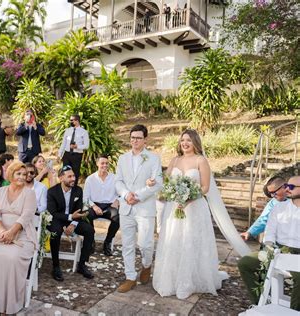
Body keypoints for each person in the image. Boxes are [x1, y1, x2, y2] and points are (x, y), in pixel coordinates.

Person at [153, 129, 224, 299]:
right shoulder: (175, 160)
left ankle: (190, 281)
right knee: (174, 241)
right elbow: (166, 182)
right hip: (174, 207)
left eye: (189, 140)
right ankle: (172, 279)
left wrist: (188, 198)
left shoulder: (201, 160)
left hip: (195, 209)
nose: (185, 143)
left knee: (191, 243)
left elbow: (205, 187)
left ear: (195, 143)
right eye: (183, 140)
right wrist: (158, 185)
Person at [0, 161, 37, 315]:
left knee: (12, 259)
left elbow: (26, 216)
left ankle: (8, 305)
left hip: (22, 236)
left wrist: (12, 232)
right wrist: (3, 231)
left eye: (25, 174)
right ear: (11, 175)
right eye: (19, 174)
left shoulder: (29, 193)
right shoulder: (0, 192)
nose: (23, 177)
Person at [238, 176, 300, 311]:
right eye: (287, 186)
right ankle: (261, 303)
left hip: (298, 253)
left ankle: (294, 312)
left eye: (291, 187)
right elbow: (269, 230)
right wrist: (269, 245)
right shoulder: (278, 207)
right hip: (278, 249)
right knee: (245, 263)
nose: (287, 189)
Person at [115, 124, 162, 293]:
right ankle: (130, 277)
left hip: (144, 208)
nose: (135, 140)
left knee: (145, 244)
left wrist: (138, 195)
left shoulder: (153, 158)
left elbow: (158, 183)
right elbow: (118, 181)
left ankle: (147, 265)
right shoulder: (122, 158)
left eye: (138, 138)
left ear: (145, 140)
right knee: (127, 245)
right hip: (126, 207)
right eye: (132, 137)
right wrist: (126, 194)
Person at [47, 165, 95, 281]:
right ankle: (56, 266)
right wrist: (68, 218)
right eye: (69, 176)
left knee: (89, 230)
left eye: (73, 176)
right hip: (57, 220)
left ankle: (82, 264)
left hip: (74, 220)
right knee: (55, 233)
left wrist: (73, 224)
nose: (73, 178)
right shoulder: (52, 192)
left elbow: (78, 210)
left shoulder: (78, 190)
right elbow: (53, 212)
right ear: (61, 178)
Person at [83, 154, 120, 256]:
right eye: (102, 163)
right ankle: (91, 240)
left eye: (107, 163)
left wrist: (117, 200)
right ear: (97, 164)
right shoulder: (90, 179)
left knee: (117, 217)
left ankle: (107, 242)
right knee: (87, 215)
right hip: (94, 205)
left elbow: (122, 193)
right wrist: (94, 206)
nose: (105, 165)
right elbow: (85, 198)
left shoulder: (114, 178)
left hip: (109, 206)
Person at [240, 176, 288, 241]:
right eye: (270, 193)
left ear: (284, 187)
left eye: (274, 192)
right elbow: (264, 219)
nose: (272, 196)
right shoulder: (273, 203)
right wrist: (250, 232)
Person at [58, 114, 89, 185]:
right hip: (67, 154)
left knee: (75, 173)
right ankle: (65, 187)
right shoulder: (67, 131)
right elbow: (63, 143)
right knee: (65, 171)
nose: (70, 122)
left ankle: (74, 189)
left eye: (72, 120)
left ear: (77, 121)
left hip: (77, 155)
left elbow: (86, 145)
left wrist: (77, 146)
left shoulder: (84, 132)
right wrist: (59, 155)